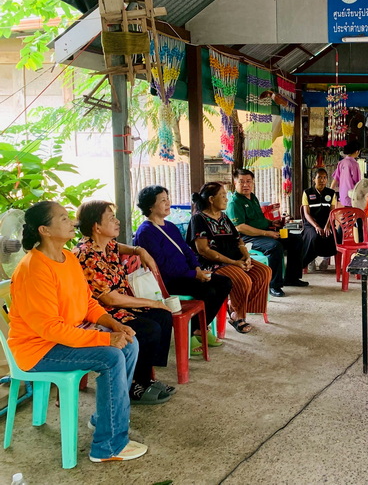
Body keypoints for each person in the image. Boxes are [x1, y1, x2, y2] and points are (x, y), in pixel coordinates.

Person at [9, 201, 147, 462]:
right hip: (38, 349)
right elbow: (51, 329)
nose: (72, 221)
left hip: (66, 335)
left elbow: (88, 302)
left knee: (129, 343)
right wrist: (105, 338)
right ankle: (108, 447)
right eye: (63, 218)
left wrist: (113, 324)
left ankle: (104, 419)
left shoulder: (68, 257)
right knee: (110, 357)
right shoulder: (33, 269)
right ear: (44, 230)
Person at [74, 200, 175, 405]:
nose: (117, 221)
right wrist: (152, 302)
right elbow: (108, 298)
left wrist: (139, 250)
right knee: (148, 328)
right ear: (97, 227)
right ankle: (134, 386)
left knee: (163, 316)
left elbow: (119, 247)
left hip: (119, 307)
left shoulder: (107, 244)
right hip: (101, 314)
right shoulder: (86, 255)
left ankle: (144, 376)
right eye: (111, 218)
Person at [134, 185, 231, 355]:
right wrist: (194, 274)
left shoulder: (170, 226)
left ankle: (198, 328)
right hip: (167, 281)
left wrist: (197, 268)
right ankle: (191, 331)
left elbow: (186, 250)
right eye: (162, 200)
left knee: (224, 283)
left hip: (187, 274)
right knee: (208, 290)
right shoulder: (146, 232)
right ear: (150, 206)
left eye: (168, 198)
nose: (168, 203)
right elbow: (162, 266)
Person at [187, 182, 273, 334]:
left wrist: (246, 257)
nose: (226, 199)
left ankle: (237, 306)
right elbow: (204, 251)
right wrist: (235, 263)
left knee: (264, 272)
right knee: (243, 280)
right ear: (211, 199)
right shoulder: (198, 219)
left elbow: (238, 239)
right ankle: (236, 315)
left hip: (236, 259)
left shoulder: (224, 217)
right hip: (213, 264)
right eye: (222, 196)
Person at [226, 169, 306, 297]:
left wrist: (272, 223)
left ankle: (292, 278)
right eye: (241, 182)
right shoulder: (234, 202)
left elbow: (259, 219)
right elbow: (240, 227)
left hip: (263, 233)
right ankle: (274, 285)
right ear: (235, 183)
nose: (246, 185)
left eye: (249, 181)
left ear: (253, 183)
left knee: (296, 239)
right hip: (246, 238)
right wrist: (266, 233)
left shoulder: (252, 197)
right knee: (274, 246)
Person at [301, 169, 338, 270]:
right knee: (314, 237)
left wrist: (327, 226)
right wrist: (316, 226)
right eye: (319, 177)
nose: (322, 180)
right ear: (314, 179)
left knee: (333, 236)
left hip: (327, 223)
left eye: (324, 177)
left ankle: (326, 259)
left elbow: (332, 212)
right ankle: (311, 259)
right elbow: (306, 214)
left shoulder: (331, 193)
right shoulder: (307, 193)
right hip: (311, 224)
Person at [330, 141, 362, 207]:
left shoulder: (341, 162)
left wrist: (329, 191)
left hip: (342, 195)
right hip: (351, 195)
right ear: (357, 152)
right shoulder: (354, 164)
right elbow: (358, 182)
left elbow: (336, 178)